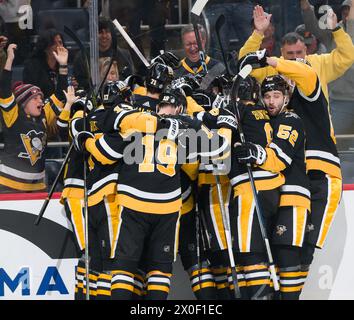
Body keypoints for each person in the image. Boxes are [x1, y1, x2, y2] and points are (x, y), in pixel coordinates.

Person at [236, 74, 310, 299]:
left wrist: (254, 152)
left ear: (286, 97)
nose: (271, 101)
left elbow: (278, 159)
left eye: (276, 96)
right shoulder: (265, 120)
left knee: (288, 263)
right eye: (267, 96)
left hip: (293, 198)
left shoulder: (291, 119)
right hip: (276, 197)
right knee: (273, 263)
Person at [0, 44, 65, 193]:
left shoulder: (44, 116)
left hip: (37, 188)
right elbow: (4, 89)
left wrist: (63, 66)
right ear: (24, 102)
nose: (40, 102)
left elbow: (60, 95)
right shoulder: (13, 115)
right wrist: (9, 59)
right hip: (9, 186)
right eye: (35, 98)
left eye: (41, 98)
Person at [300, 0, 354, 134]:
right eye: (344, 10)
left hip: (341, 100)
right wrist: (305, 5)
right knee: (334, 141)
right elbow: (313, 28)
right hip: (340, 100)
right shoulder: (334, 31)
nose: (347, 13)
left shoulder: (339, 30)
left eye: (350, 9)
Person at [73, 17, 134, 91]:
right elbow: (80, 82)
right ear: (93, 35)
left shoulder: (124, 55)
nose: (104, 36)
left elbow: (129, 79)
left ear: (112, 34)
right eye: (100, 32)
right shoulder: (82, 56)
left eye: (107, 32)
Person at [22, 29, 74, 99]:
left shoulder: (63, 64)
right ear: (45, 47)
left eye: (60, 42)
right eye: (53, 43)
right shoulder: (32, 67)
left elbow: (63, 95)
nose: (58, 46)